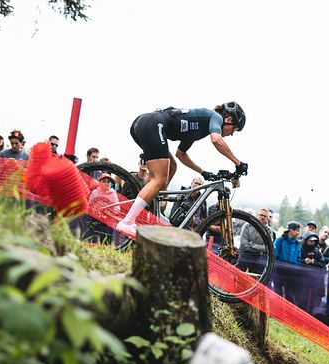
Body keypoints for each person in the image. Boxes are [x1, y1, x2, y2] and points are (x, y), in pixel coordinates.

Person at [116, 102, 247, 236]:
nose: (232, 134)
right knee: (159, 180)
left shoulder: (198, 128)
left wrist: (203, 172)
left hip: (144, 124)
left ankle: (155, 212)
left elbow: (181, 154)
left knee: (172, 166)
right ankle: (127, 222)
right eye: (235, 130)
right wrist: (238, 163)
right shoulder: (216, 117)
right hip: (153, 124)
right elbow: (216, 139)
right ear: (228, 120)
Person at [272, 221, 302, 302]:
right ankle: (277, 313)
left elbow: (299, 258)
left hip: (291, 274)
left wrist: (296, 268)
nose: (298, 232)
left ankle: (288, 313)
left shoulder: (297, 243)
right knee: (278, 294)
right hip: (279, 272)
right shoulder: (279, 241)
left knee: (290, 295)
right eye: (297, 230)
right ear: (291, 230)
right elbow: (275, 255)